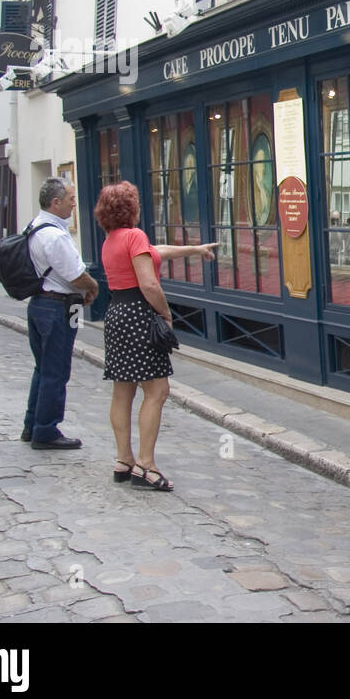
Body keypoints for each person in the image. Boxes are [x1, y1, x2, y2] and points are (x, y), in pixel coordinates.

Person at [95, 180, 216, 491]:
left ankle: (124, 460)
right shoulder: (135, 236)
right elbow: (149, 284)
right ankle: (147, 466)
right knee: (157, 391)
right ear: (131, 207)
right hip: (139, 314)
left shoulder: (111, 240)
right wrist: (165, 313)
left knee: (123, 391)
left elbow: (154, 252)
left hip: (117, 314)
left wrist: (193, 248)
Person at [24, 178, 100, 449]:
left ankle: (32, 425)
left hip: (40, 304)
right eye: (70, 198)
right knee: (56, 370)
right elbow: (75, 275)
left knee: (42, 368)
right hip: (58, 306)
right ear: (55, 202)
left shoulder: (35, 226)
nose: (73, 203)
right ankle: (45, 431)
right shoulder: (54, 235)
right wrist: (93, 287)